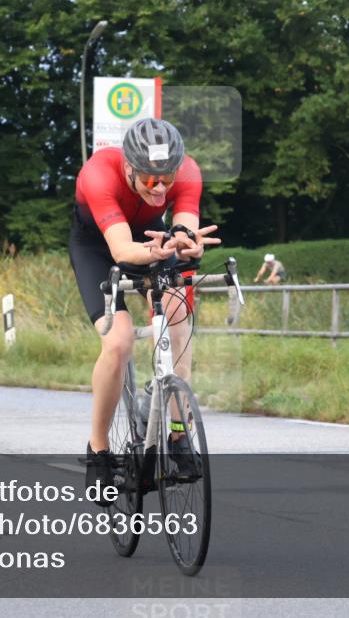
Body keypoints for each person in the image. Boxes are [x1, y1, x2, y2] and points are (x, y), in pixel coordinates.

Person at [69, 118, 220, 504]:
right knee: (118, 343)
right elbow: (121, 250)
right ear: (129, 168)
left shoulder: (187, 173)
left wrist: (187, 243)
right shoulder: (99, 174)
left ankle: (177, 432)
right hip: (100, 248)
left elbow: (184, 225)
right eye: (150, 180)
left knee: (179, 321)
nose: (160, 189)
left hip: (154, 241)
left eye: (167, 180)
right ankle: (99, 449)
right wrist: (157, 251)